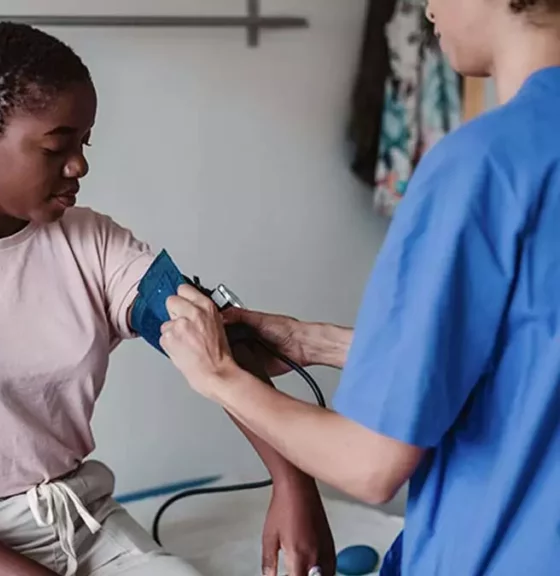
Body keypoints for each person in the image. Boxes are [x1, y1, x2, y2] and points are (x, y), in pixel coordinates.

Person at [0, 21, 336, 576]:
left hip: (81, 523)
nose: (79, 166)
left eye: (83, 142)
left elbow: (213, 344)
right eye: (56, 146)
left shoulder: (91, 240)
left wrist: (293, 483)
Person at [158, 1, 560, 574]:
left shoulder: (482, 166)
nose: (426, 6)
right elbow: (526, 358)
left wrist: (218, 376)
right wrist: (314, 342)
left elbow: (370, 465)